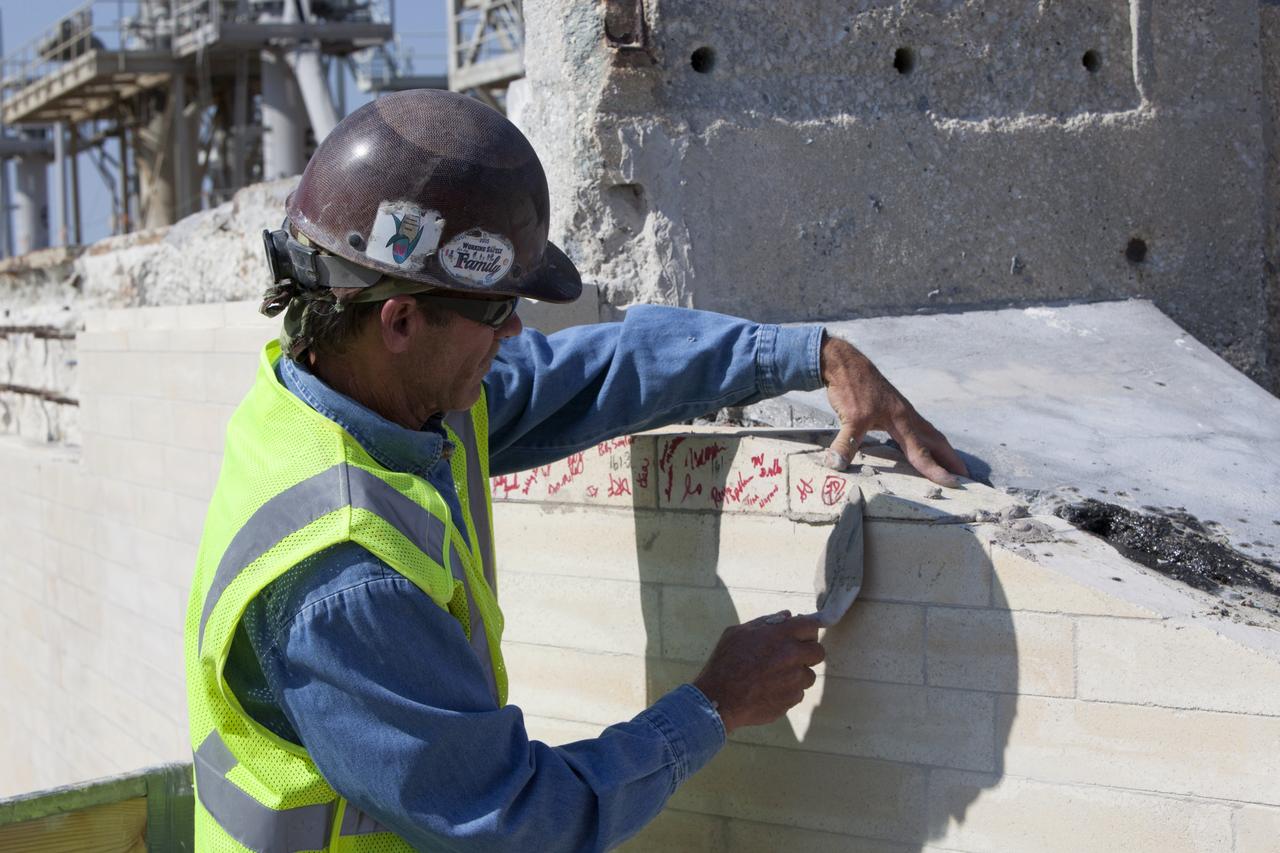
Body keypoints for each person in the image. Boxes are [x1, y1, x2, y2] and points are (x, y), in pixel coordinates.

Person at [183, 90, 967, 853]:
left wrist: (808, 355)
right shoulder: (346, 577)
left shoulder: (349, 397)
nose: (515, 329)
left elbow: (596, 371)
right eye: (495, 310)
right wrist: (714, 703)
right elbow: (517, 819)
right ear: (399, 319)